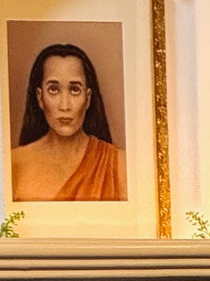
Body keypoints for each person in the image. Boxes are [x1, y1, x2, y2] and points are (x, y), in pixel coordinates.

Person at [10, 43, 127, 201]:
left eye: (74, 89)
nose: (65, 105)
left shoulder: (118, 164)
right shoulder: (14, 163)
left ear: (88, 98)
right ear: (40, 97)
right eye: (53, 89)